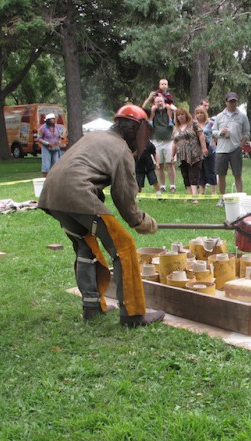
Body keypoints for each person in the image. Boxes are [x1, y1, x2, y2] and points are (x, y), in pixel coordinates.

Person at [38, 104, 164, 326]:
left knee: (87, 247)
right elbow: (123, 197)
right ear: (135, 129)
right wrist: (141, 221)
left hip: (51, 196)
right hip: (77, 195)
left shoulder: (95, 136)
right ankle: (134, 315)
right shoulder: (121, 149)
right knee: (124, 247)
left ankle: (92, 307)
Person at [212, 92, 250, 205]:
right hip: (221, 150)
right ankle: (222, 198)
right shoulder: (219, 116)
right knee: (221, 175)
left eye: (234, 101)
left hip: (235, 149)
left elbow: (247, 132)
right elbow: (213, 131)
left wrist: (242, 143)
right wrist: (220, 132)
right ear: (226, 102)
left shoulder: (242, 116)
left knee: (237, 174)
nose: (232, 104)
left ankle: (240, 198)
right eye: (230, 101)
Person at [171, 107, 208, 203]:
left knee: (193, 175)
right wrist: (172, 155)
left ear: (186, 114)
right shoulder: (176, 128)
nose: (180, 116)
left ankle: (195, 197)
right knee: (185, 175)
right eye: (178, 115)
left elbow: (201, 135)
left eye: (182, 114)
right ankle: (189, 194)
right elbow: (174, 143)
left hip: (194, 154)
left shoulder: (193, 124)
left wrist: (204, 148)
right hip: (181, 155)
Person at [144, 94, 176, 192]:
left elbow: (179, 112)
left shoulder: (169, 110)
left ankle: (172, 186)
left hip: (169, 141)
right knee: (159, 165)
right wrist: (150, 97)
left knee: (170, 164)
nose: (160, 103)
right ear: (154, 103)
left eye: (161, 101)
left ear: (164, 102)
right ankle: (162, 186)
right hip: (156, 141)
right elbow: (143, 108)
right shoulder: (152, 112)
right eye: (157, 101)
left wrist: (173, 108)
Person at [194, 105, 217, 195]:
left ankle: (213, 191)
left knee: (210, 169)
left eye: (201, 113)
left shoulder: (210, 123)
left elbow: (215, 133)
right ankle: (202, 190)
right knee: (201, 169)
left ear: (205, 114)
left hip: (209, 147)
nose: (200, 115)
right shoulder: (194, 124)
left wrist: (214, 142)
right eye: (197, 113)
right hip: (197, 148)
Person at [37, 113, 64, 177]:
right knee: (46, 165)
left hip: (55, 148)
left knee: (56, 163)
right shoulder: (43, 128)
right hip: (46, 148)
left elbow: (60, 136)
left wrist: (59, 142)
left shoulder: (57, 127)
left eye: (53, 119)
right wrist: (47, 143)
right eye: (50, 119)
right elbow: (39, 138)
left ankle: (55, 177)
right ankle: (45, 178)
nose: (52, 121)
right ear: (47, 120)